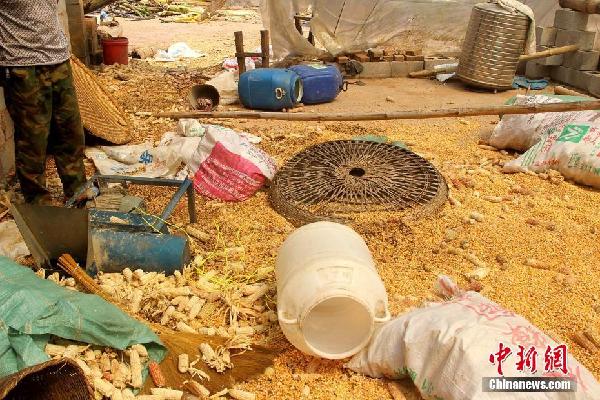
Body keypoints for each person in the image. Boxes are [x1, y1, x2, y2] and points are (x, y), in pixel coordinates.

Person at [0, 0, 86, 204]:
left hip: (59, 61)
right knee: (32, 142)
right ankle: (38, 203)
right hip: (23, 66)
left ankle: (78, 192)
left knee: (71, 132)